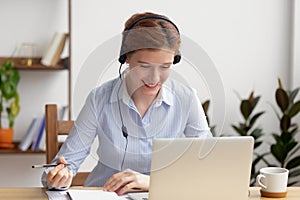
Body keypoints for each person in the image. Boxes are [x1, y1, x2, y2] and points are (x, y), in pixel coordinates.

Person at [41, 11, 212, 195]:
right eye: (145, 66)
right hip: (106, 196)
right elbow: (62, 166)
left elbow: (208, 165)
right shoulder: (99, 99)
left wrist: (151, 182)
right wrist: (58, 176)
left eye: (165, 67)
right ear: (126, 57)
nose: (155, 78)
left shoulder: (186, 98)